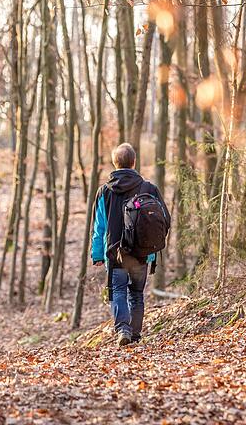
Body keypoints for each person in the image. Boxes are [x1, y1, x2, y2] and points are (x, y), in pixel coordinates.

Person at [90, 143, 170, 346]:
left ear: (115, 164)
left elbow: (99, 227)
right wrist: (153, 247)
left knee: (118, 291)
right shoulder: (149, 188)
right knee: (136, 294)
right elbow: (164, 220)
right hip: (142, 252)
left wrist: (97, 254)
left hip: (115, 253)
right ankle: (134, 335)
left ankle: (123, 329)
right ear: (134, 162)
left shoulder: (104, 192)